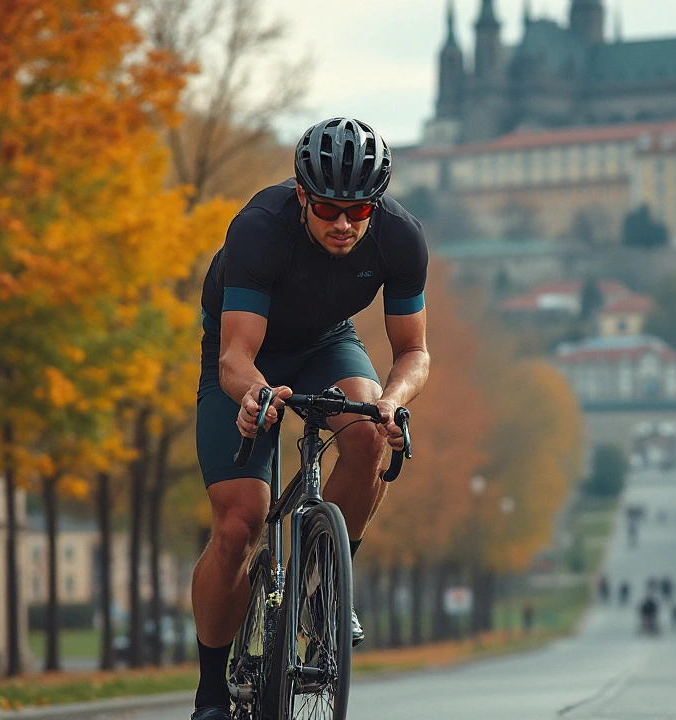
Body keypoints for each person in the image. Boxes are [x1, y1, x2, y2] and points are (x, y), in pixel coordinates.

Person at [189, 118, 430, 720]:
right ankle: (211, 694)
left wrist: (393, 399)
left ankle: (319, 583)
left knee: (370, 432)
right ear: (302, 195)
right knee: (240, 525)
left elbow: (414, 353)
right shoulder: (260, 230)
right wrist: (255, 396)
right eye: (328, 208)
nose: (344, 224)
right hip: (248, 350)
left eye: (358, 210)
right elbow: (236, 357)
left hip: (327, 341)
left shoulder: (400, 238)